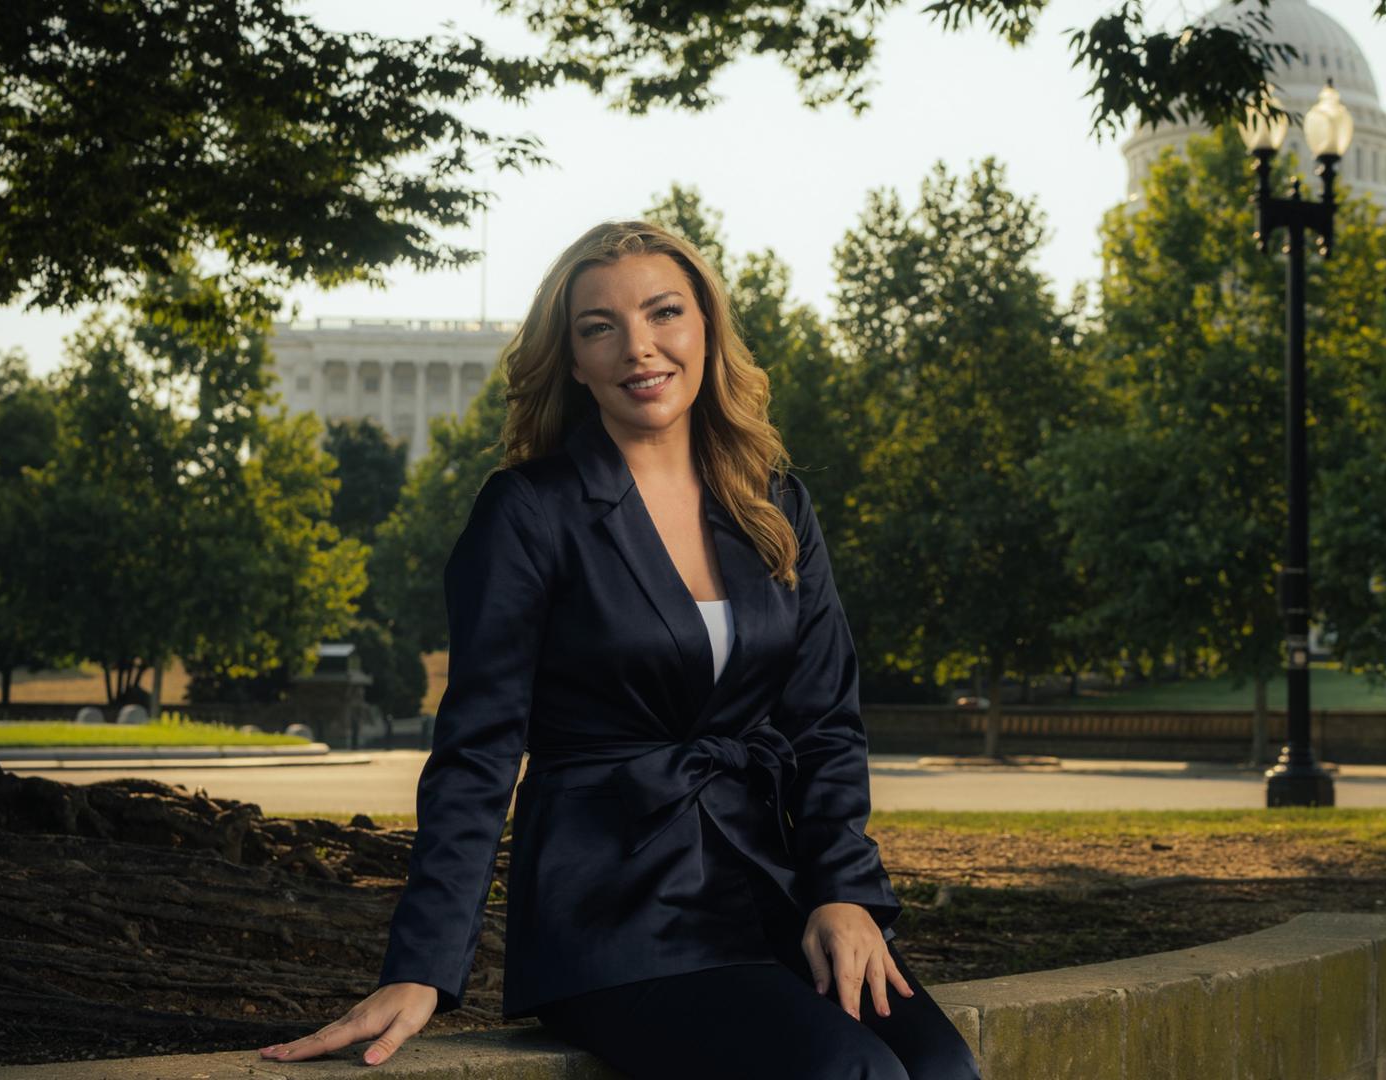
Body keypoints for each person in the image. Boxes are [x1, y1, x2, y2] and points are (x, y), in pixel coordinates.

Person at [256, 221, 982, 1080]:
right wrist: (422, 967)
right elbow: (478, 752)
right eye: (600, 327)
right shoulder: (527, 512)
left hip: (764, 890)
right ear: (571, 361)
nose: (640, 348)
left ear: (706, 327)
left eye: (664, 313)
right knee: (845, 1074)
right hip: (611, 915)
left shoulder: (776, 505)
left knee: (939, 1068)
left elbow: (824, 722)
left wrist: (843, 893)